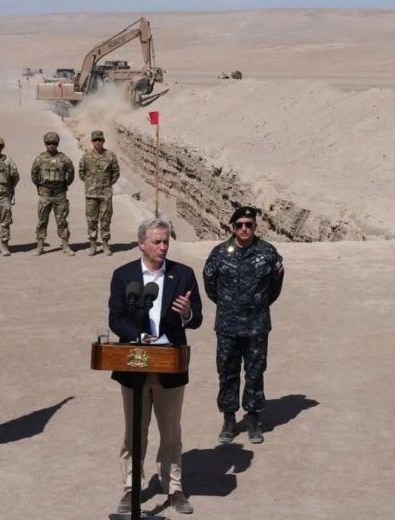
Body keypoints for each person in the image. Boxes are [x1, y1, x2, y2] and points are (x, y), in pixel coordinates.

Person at [108, 218, 202, 515]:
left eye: (166, 242)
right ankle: (131, 489)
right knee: (134, 432)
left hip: (170, 365)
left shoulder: (183, 274)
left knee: (171, 432)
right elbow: (116, 317)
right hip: (134, 364)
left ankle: (174, 489)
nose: (163, 247)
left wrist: (187, 314)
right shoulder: (124, 276)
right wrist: (138, 336)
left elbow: (196, 318)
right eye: (157, 242)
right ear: (141, 244)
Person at [203, 206, 284, 445]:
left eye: (249, 224)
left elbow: (276, 285)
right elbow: (210, 284)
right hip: (228, 326)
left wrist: (258, 304)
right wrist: (229, 305)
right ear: (233, 227)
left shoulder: (268, 253)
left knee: (255, 372)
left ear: (255, 226)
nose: (244, 229)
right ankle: (229, 418)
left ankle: (253, 417)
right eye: (239, 225)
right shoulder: (219, 254)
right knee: (227, 372)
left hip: (257, 326)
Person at [31, 131, 75, 256]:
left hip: (59, 194)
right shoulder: (40, 159)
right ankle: (40, 246)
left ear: (57, 144)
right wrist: (41, 187)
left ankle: (65, 245)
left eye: (54, 143)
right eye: (48, 143)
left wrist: (64, 185)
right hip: (45, 194)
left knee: (62, 220)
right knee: (42, 220)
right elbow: (34, 175)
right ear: (45, 144)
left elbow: (71, 173)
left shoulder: (64, 159)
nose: (51, 145)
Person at [78, 130, 120, 256]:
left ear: (103, 141)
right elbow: (81, 172)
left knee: (106, 219)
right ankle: (93, 245)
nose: (98, 142)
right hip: (91, 194)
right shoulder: (86, 156)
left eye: (100, 140)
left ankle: (105, 244)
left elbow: (116, 172)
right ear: (92, 142)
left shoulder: (110, 155)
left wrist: (107, 184)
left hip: (105, 194)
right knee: (91, 220)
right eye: (95, 140)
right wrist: (90, 183)